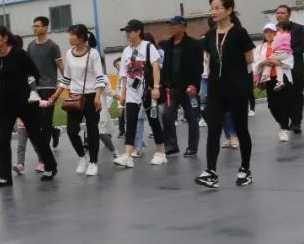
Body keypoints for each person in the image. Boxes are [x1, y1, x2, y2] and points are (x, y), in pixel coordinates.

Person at [196, 0, 255, 189]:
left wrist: (241, 78)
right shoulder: (209, 35)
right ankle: (211, 172)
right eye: (211, 8)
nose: (213, 12)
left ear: (229, 10)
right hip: (216, 89)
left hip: (237, 88)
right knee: (213, 128)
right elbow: (208, 59)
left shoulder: (240, 33)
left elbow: (249, 59)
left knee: (241, 129)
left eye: (217, 8)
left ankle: (245, 169)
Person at [0, 25, 57, 187]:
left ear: (5, 38)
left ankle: (50, 166)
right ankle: (5, 177)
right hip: (5, 102)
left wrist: (30, 91)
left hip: (24, 100)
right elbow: (3, 78)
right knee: (3, 139)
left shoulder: (19, 54)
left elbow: (35, 73)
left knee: (36, 135)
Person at [46, 25, 107, 176]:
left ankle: (93, 162)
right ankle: (82, 157)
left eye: (71, 35)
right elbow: (66, 78)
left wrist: (98, 97)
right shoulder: (69, 53)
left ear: (80, 37)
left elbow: (100, 78)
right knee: (72, 131)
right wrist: (56, 95)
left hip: (91, 96)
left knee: (92, 131)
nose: (69, 38)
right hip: (74, 97)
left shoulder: (93, 54)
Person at [115, 20, 165, 168]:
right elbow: (123, 74)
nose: (127, 34)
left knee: (153, 121)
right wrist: (123, 94)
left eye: (130, 31)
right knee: (130, 122)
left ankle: (160, 152)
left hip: (147, 90)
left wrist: (156, 87)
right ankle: (127, 155)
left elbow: (155, 67)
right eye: (126, 32)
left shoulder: (148, 47)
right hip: (132, 92)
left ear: (138, 32)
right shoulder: (126, 51)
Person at [160, 16, 203, 157]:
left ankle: (192, 147)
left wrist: (194, 85)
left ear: (182, 27)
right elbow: (165, 66)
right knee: (167, 115)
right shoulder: (168, 44)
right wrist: (165, 83)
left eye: (174, 25)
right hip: (172, 88)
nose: (171, 28)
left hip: (189, 89)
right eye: (170, 25)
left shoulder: (194, 44)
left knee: (192, 117)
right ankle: (171, 145)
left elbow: (198, 67)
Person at [28, 16, 65, 151]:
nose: (34, 28)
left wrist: (69, 83)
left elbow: (60, 65)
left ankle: (44, 152)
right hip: (34, 88)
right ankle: (55, 132)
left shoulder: (53, 46)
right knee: (37, 120)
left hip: (49, 87)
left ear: (45, 27)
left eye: (37, 26)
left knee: (46, 119)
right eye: (33, 26)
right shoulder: (31, 45)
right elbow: (27, 65)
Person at [255, 22, 295, 141]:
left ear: (276, 33)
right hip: (268, 79)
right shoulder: (260, 48)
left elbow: (290, 63)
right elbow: (255, 65)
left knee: (284, 104)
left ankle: (284, 129)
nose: (269, 34)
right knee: (272, 105)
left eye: (272, 32)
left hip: (282, 78)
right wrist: (262, 63)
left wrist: (278, 62)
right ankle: (283, 124)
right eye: (266, 32)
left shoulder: (283, 45)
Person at [275, 5, 304, 134]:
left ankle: (296, 122)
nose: (279, 15)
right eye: (278, 13)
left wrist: (290, 53)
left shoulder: (298, 28)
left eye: (282, 13)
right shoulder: (274, 29)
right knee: (284, 96)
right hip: (279, 67)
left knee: (296, 95)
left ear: (289, 15)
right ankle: (288, 119)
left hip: (295, 66)